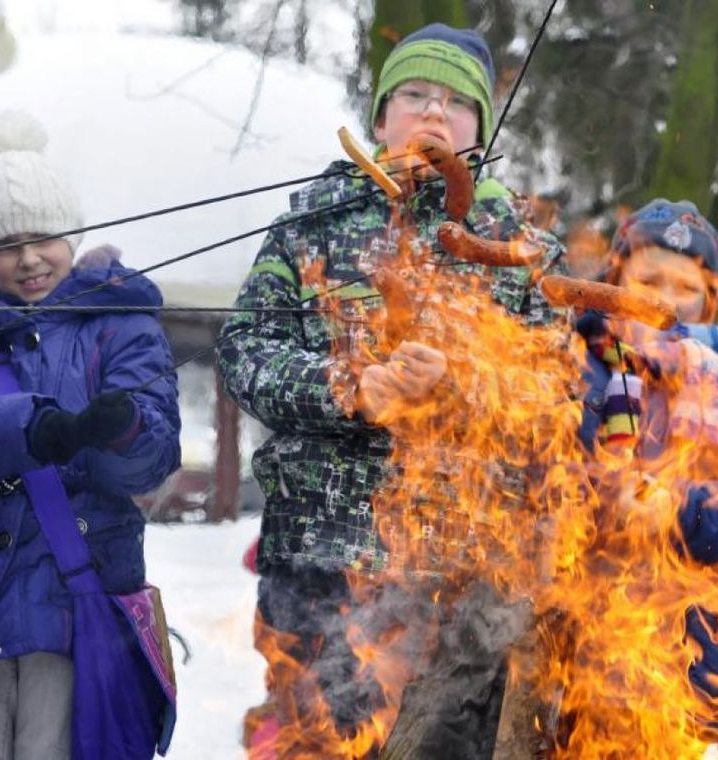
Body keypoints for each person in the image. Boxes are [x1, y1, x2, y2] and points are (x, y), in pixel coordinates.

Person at [216, 22, 563, 758]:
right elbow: (244, 353)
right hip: (321, 562)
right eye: (414, 96)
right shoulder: (311, 224)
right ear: (380, 117)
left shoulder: (518, 244)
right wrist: (350, 386)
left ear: (480, 128)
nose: (434, 113)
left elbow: (555, 392)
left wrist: (461, 387)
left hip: (460, 580)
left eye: (456, 103)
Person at [0, 110, 181, 759]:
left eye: (43, 235)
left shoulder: (122, 324)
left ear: (72, 230)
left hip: (76, 606)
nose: (29, 257)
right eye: (7, 243)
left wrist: (120, 430)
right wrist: (37, 429)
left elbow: (150, 462)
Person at [573, 198, 718, 744]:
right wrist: (613, 494)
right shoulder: (571, 364)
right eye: (649, 280)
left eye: (686, 288)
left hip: (685, 654)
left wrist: (675, 507)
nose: (666, 299)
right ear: (615, 279)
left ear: (709, 303)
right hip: (574, 639)